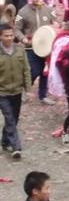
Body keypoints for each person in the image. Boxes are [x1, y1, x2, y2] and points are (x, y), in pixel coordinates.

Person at [15, 0, 57, 105]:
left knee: (45, 72)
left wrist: (56, 25)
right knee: (34, 71)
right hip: (31, 47)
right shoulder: (22, 12)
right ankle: (24, 89)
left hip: (47, 47)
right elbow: (16, 29)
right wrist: (22, 38)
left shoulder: (49, 10)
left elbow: (56, 23)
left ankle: (43, 95)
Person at [0, 23, 31, 160]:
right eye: (6, 36)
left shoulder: (20, 50)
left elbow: (26, 70)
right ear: (0, 37)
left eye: (11, 35)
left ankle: (5, 140)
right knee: (9, 118)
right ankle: (16, 147)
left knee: (14, 118)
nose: (9, 38)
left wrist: (28, 89)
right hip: (2, 92)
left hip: (17, 91)